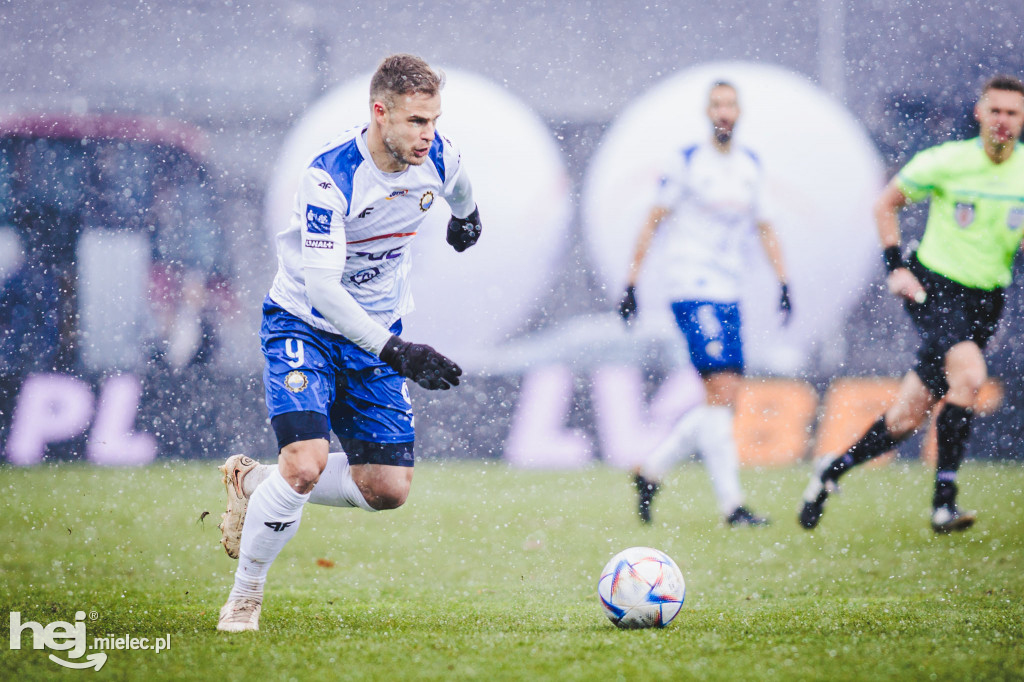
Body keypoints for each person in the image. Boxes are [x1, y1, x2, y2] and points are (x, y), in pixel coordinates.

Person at [216, 53, 483, 632]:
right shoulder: (329, 178)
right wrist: (400, 353)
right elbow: (324, 292)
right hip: (304, 327)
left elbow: (458, 179)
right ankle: (245, 597)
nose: (427, 135)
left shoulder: (439, 154)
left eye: (434, 120)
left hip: (377, 332)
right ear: (379, 112)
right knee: (307, 464)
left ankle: (257, 481)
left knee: (388, 489)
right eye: (415, 121)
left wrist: (467, 215)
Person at [799, 74, 1024, 534]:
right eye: (995, 111)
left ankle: (830, 470)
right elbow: (885, 203)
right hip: (935, 287)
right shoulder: (946, 161)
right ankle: (944, 502)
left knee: (906, 417)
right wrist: (894, 266)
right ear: (979, 114)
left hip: (986, 300)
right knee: (970, 377)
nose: (1003, 121)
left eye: (1012, 113)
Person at [619, 80, 792, 527]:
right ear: (707, 112)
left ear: (739, 112)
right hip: (691, 287)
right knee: (721, 393)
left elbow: (766, 227)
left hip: (729, 292)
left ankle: (652, 470)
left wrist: (784, 281)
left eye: (730, 104)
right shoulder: (687, 161)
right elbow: (653, 219)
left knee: (725, 400)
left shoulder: (750, 165)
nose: (724, 112)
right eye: (716, 104)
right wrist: (632, 281)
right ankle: (731, 506)